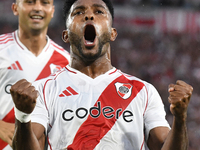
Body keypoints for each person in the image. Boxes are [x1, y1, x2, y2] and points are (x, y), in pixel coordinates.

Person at [10, 0, 193, 149]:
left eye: (99, 12)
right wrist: (23, 116)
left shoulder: (143, 91)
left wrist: (180, 118)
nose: (89, 15)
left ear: (112, 33)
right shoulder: (44, 90)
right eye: (78, 12)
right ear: (66, 35)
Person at [0, 0, 70, 149]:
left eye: (44, 3)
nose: (38, 8)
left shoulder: (66, 62)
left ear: (52, 11)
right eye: (30, 2)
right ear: (15, 8)